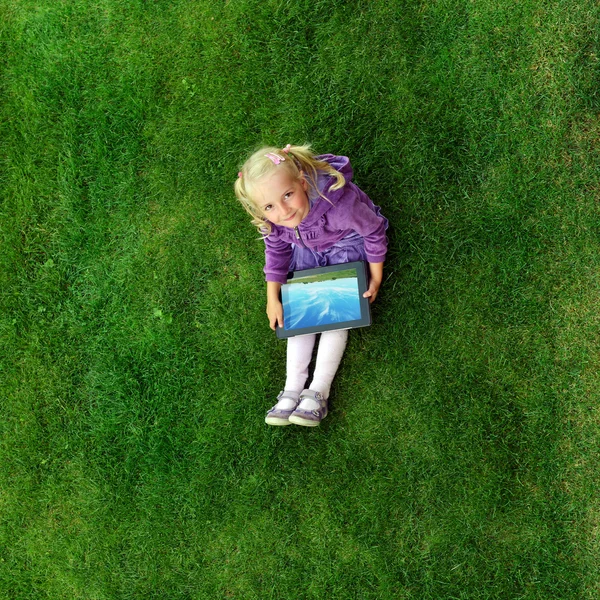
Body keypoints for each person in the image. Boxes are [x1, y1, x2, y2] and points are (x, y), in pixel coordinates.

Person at [234, 144, 388, 427]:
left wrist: (375, 276)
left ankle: (318, 392)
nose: (283, 211)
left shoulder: (338, 208)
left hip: (344, 244)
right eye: (269, 206)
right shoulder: (277, 221)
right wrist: (273, 297)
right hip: (307, 250)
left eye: (288, 195)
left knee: (334, 316)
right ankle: (292, 390)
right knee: (300, 313)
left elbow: (374, 231)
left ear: (303, 183)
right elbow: (276, 253)